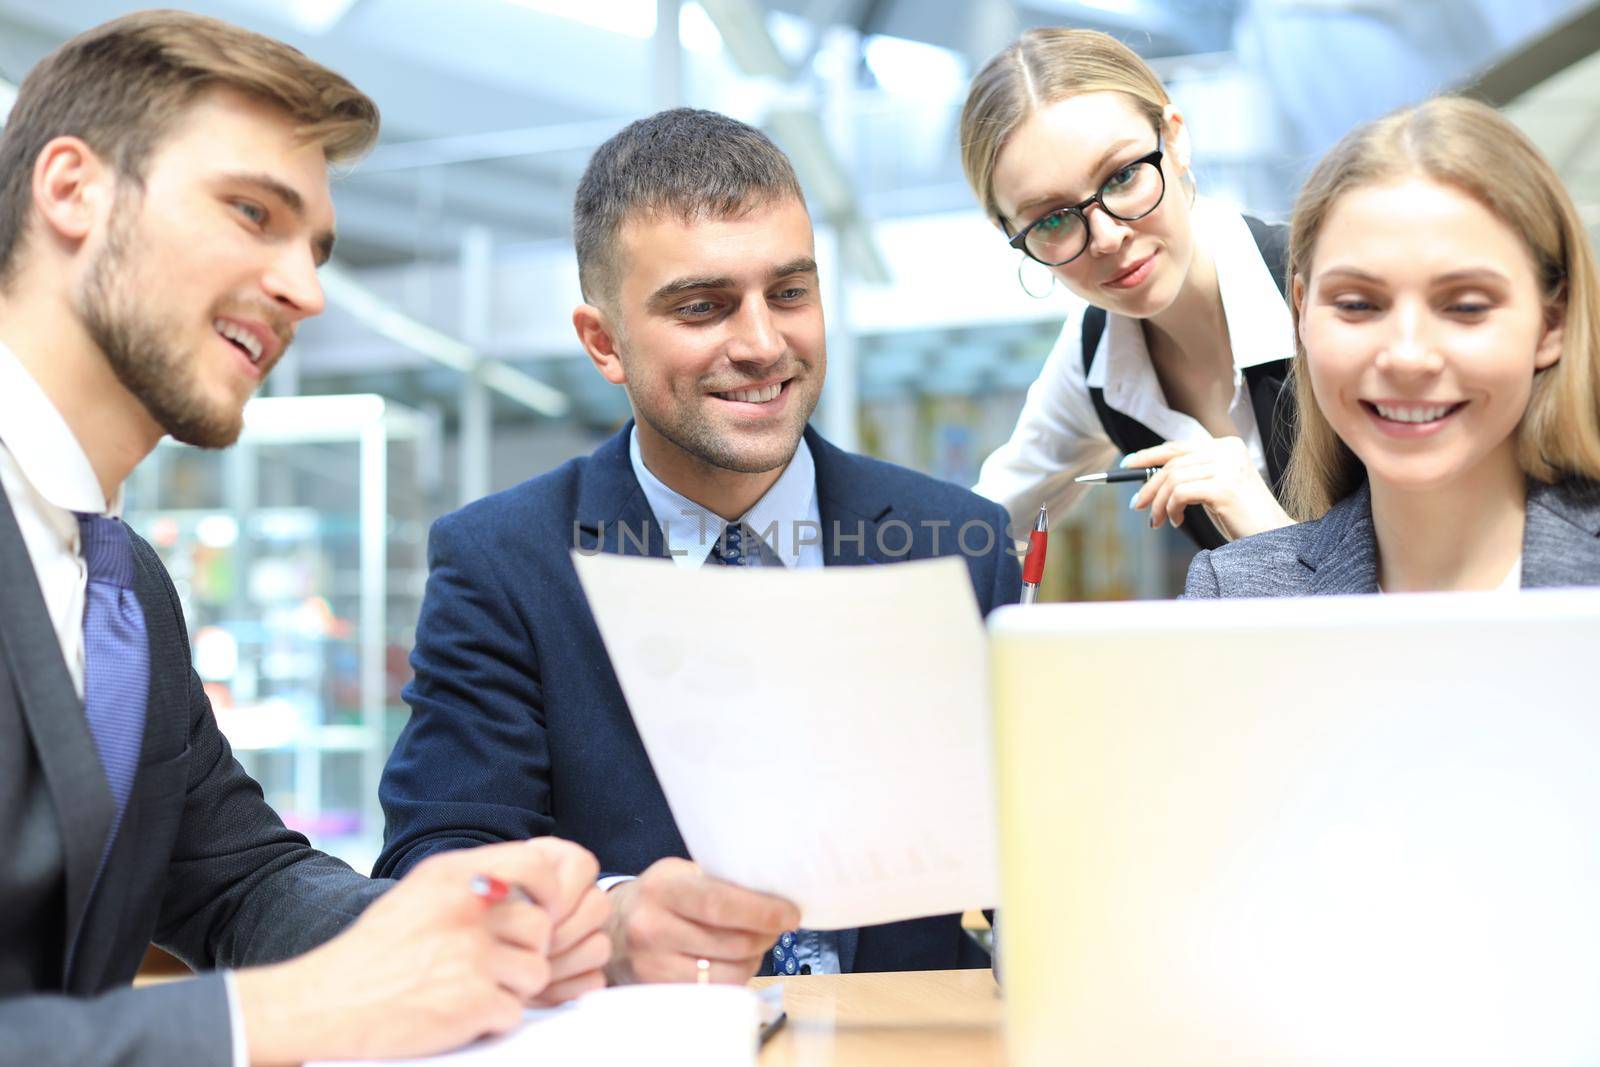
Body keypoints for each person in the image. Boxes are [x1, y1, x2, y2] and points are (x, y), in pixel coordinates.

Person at [0, 13, 610, 1066]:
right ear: (72, 190)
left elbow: (239, 879)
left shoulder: (123, 586)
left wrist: (463, 919)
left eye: (315, 247)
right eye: (253, 212)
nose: (307, 290)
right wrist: (275, 1018)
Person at [375, 107, 1021, 985]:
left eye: (790, 293)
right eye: (703, 306)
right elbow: (437, 865)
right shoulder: (503, 563)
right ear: (605, 342)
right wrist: (603, 921)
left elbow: (1034, 848)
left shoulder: (956, 544)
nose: (762, 344)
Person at [1185, 95, 1600, 597]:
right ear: (1301, 314)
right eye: (1358, 305)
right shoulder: (1235, 597)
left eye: (1466, 307)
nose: (1407, 356)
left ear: (1552, 323)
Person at [962, 28, 1299, 549]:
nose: (1108, 237)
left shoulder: (1321, 292)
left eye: (1122, 177)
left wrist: (1267, 531)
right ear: (1008, 235)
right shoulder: (1096, 355)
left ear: (1175, 138)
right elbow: (983, 526)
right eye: (1052, 221)